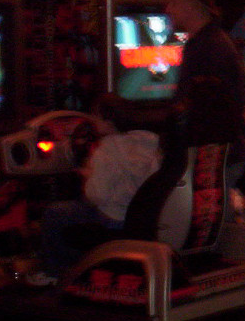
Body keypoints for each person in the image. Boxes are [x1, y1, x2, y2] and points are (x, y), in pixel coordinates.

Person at [31, 95, 161, 282]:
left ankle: (55, 273)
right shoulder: (150, 142)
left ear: (107, 122)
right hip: (141, 219)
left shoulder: (107, 149)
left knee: (54, 213)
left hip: (113, 218)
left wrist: (87, 175)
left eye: (96, 117)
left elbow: (96, 196)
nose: (93, 121)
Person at [165, 0, 245, 152]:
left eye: (173, 3)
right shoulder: (212, 40)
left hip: (213, 157)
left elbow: (201, 114)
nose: (168, 10)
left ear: (190, 4)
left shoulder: (207, 47)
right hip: (218, 151)